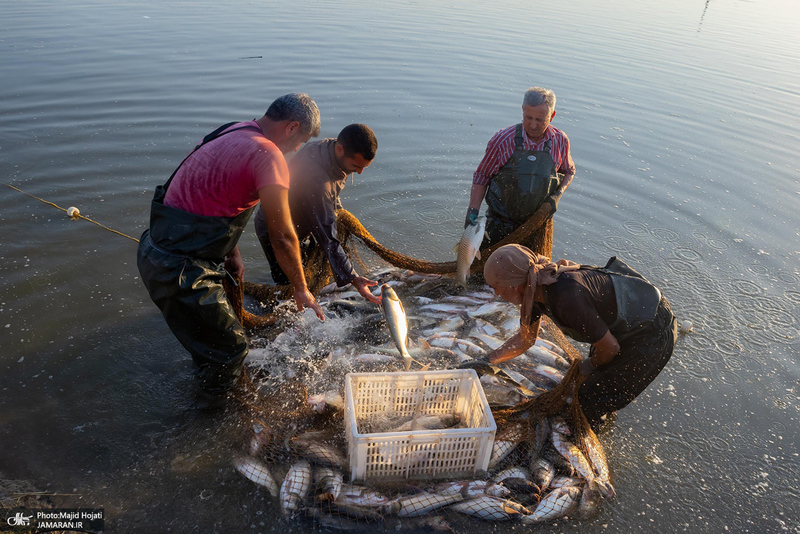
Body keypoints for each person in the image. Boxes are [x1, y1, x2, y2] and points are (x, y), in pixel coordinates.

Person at [137, 93, 325, 407]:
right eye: (301, 142)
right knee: (231, 350)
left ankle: (210, 393)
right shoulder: (269, 155)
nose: (296, 150)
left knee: (210, 347)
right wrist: (300, 287)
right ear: (292, 127)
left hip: (155, 251)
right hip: (182, 270)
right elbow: (282, 236)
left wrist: (231, 252)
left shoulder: (232, 130)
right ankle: (212, 421)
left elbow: (213, 195)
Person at [482, 244, 677, 428]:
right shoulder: (534, 288)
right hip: (624, 325)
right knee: (597, 379)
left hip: (652, 333)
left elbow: (610, 348)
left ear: (514, 286)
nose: (495, 293)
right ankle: (601, 417)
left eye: (495, 286)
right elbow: (525, 340)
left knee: (590, 399)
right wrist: (486, 361)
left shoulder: (566, 297)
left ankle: (586, 433)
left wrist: (589, 365)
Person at [254, 123, 381, 304]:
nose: (359, 172)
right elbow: (328, 236)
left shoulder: (331, 150)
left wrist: (338, 211)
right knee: (290, 284)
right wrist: (353, 278)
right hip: (276, 230)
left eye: (364, 167)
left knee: (306, 271)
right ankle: (278, 307)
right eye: (356, 165)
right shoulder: (317, 180)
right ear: (340, 149)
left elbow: (331, 195)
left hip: (302, 222)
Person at [465, 87, 576, 252]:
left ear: (552, 115)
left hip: (537, 226)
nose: (533, 125)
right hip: (499, 225)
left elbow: (569, 171)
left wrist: (556, 196)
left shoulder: (560, 141)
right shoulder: (503, 140)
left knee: (534, 268)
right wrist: (473, 210)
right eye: (528, 117)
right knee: (490, 267)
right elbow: (482, 175)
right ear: (523, 110)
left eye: (540, 120)